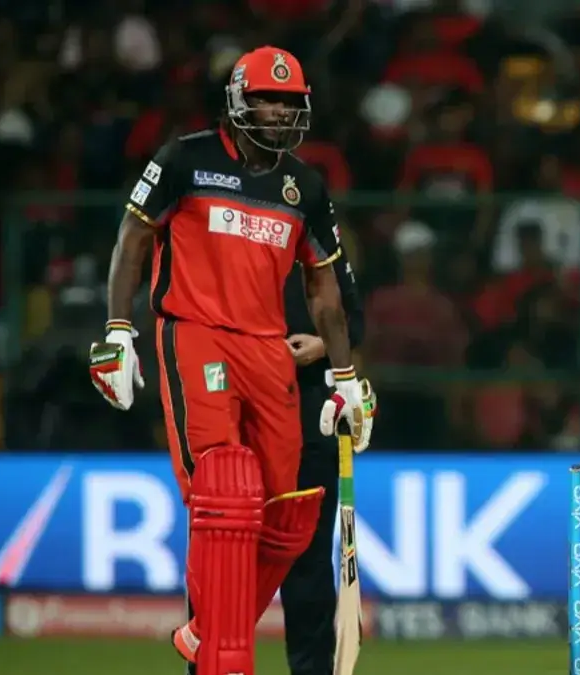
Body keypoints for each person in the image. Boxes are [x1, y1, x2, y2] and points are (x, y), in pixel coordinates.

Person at [88, 46, 376, 675]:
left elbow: (324, 290)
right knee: (224, 491)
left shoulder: (304, 186)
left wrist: (346, 377)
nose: (280, 112)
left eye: (290, 102)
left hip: (267, 348)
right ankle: (222, 655)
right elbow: (133, 238)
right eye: (268, 99)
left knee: (290, 513)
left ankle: (207, 631)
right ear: (239, 101)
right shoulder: (184, 159)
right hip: (196, 333)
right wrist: (117, 330)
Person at [281, 248, 365, 675]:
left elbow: (355, 320)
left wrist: (322, 346)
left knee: (310, 558)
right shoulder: (244, 241)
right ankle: (219, 661)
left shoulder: (322, 248)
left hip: (314, 412)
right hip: (248, 404)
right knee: (233, 550)